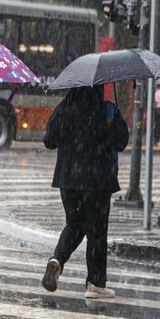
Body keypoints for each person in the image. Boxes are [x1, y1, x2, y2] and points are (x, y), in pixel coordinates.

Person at [41, 86, 129, 299]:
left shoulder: (64, 108)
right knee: (97, 231)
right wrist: (115, 120)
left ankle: (58, 258)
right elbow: (121, 143)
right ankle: (96, 283)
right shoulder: (106, 110)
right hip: (98, 180)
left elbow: (48, 141)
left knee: (75, 223)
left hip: (68, 179)